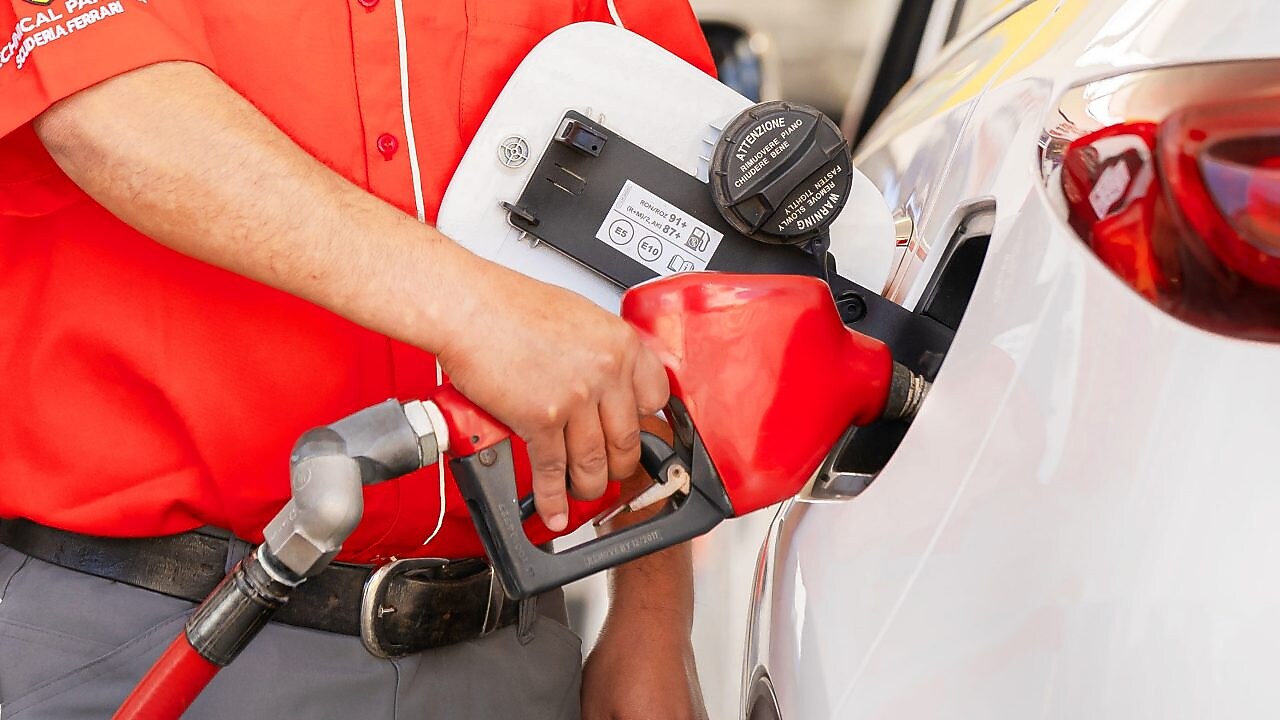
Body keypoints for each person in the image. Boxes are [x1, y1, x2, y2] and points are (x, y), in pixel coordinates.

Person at [0, 1, 716, 718]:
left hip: (503, 653)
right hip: (144, 640)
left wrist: (652, 622)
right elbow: (102, 106)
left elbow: (677, 232)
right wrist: (475, 312)